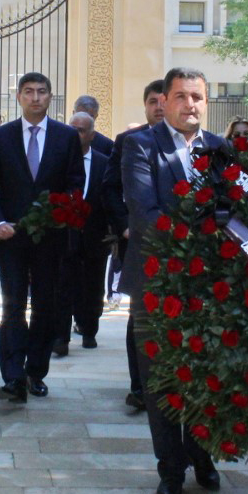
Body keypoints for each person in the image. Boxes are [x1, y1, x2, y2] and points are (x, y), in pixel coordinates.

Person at [120, 67, 226, 494]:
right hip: (157, 281)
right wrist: (200, 240)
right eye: (181, 96)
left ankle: (203, 455)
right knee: (161, 378)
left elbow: (232, 209)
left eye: (197, 97)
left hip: (210, 285)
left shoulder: (220, 149)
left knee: (204, 373)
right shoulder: (140, 145)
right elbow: (145, 211)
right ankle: (170, 468)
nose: (190, 104)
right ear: (163, 102)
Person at [0, 72, 85, 403]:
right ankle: (13, 377)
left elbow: (76, 182)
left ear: (50, 97)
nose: (35, 97)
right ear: (19, 97)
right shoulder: (1, 136)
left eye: (41, 92)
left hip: (50, 238)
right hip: (10, 238)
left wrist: (61, 212)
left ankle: (35, 372)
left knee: (45, 306)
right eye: (28, 92)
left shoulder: (66, 136)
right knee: (13, 305)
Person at [103, 79, 165, 411]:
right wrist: (125, 225)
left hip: (179, 244)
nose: (159, 107)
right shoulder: (128, 141)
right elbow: (110, 187)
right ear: (145, 106)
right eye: (152, 101)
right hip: (138, 239)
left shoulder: (195, 143)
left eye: (163, 100)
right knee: (139, 313)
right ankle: (139, 386)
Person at [53, 111, 110, 356]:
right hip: (64, 236)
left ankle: (89, 330)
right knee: (63, 286)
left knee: (93, 287)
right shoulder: (58, 160)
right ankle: (61, 337)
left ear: (92, 135)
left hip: (95, 236)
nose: (76, 134)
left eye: (81, 130)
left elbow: (110, 197)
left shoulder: (104, 163)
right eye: (72, 129)